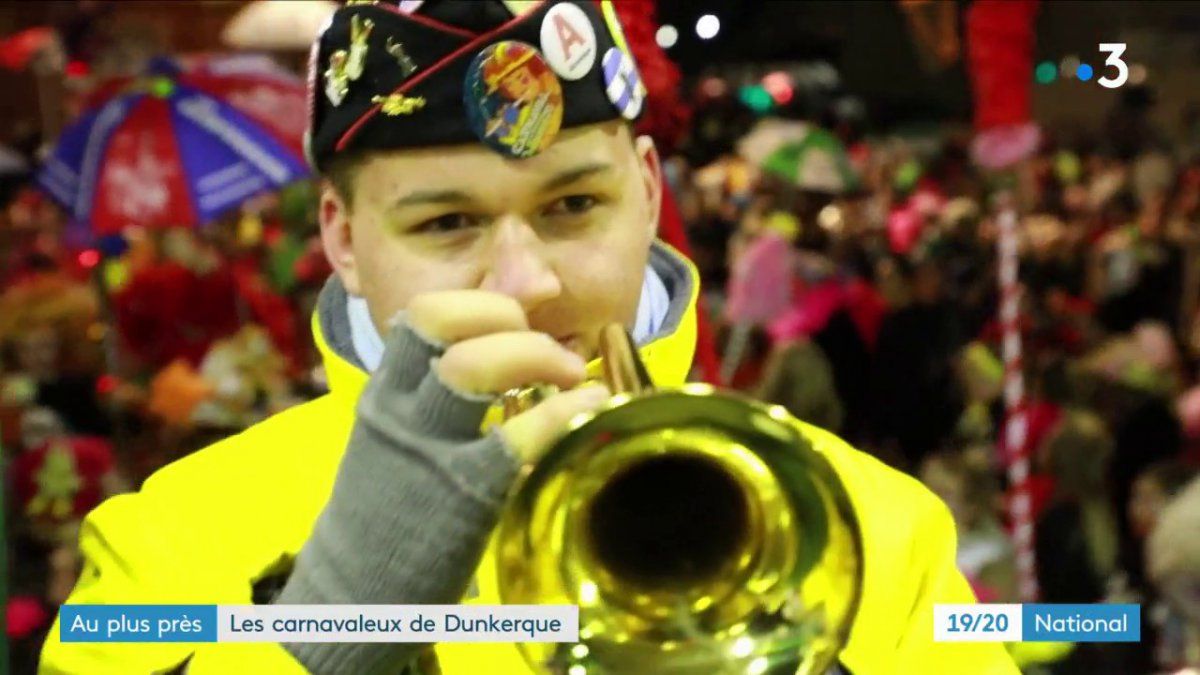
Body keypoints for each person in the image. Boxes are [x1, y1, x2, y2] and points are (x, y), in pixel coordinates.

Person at [41, 2, 1017, 674]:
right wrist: (324, 626)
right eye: (446, 223)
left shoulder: (879, 529)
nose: (528, 284)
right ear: (342, 240)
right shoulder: (173, 536)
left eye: (574, 204)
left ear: (646, 192)